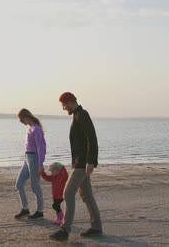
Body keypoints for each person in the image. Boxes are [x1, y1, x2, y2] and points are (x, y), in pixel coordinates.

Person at [49, 92, 103, 241]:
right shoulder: (78, 115)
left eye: (63, 105)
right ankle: (97, 227)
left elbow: (92, 138)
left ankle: (65, 230)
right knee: (87, 195)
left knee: (67, 193)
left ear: (70, 102)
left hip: (82, 163)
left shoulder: (82, 115)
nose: (63, 108)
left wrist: (91, 161)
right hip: (80, 162)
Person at [14, 108, 46, 220]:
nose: (20, 121)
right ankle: (25, 209)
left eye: (21, 119)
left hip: (34, 159)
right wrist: (25, 158)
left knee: (35, 186)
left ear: (26, 117)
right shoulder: (30, 128)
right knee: (19, 184)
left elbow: (41, 147)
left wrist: (40, 164)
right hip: (27, 158)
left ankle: (40, 211)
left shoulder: (36, 129)